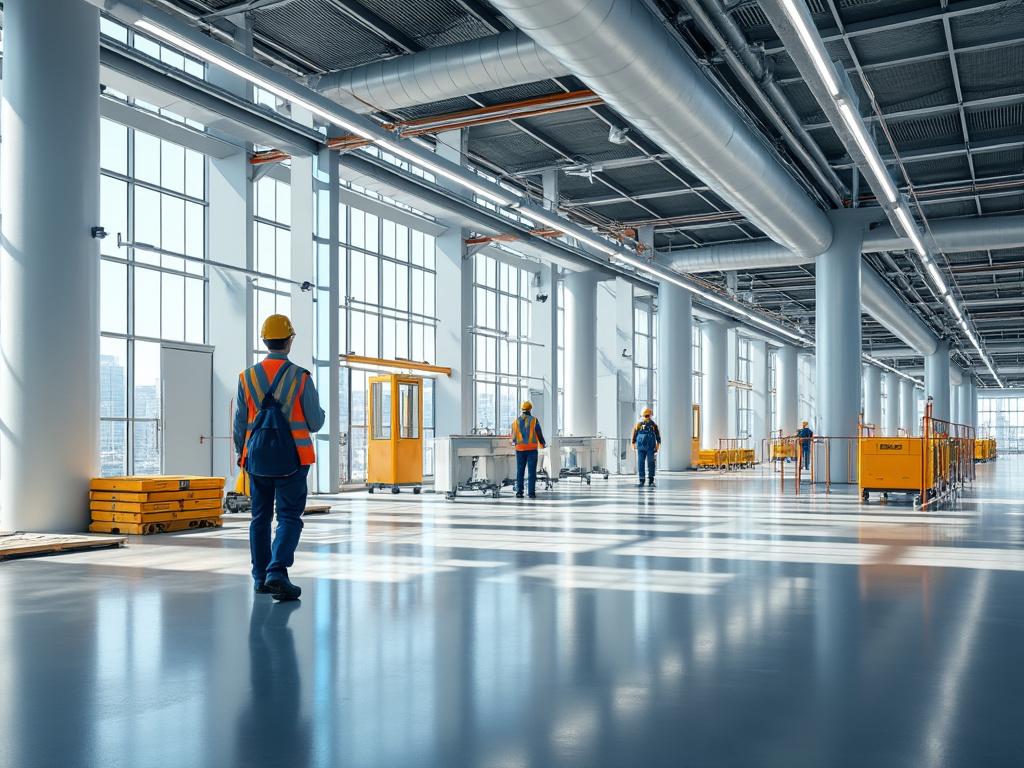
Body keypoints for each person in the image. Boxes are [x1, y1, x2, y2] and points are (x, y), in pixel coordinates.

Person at [234, 314, 325, 601]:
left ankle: (260, 578)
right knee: (288, 517)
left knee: (259, 518)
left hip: (256, 459)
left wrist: (242, 454)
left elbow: (239, 423)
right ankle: (277, 570)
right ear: (289, 341)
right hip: (293, 460)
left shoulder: (246, 377)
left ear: (264, 340)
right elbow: (314, 423)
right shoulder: (300, 377)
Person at [510, 401, 546, 499]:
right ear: (530, 409)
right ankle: (531, 493)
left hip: (520, 449)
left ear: (522, 409)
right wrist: (542, 444)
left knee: (520, 472)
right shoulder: (534, 420)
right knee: (531, 472)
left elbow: (512, 438)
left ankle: (519, 492)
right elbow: (539, 434)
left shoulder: (515, 422)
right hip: (532, 450)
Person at [631, 408, 661, 487]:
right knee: (649, 463)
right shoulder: (652, 424)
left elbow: (634, 434)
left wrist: (633, 443)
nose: (647, 416)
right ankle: (649, 481)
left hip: (642, 447)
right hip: (648, 447)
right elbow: (658, 436)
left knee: (643, 463)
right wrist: (658, 445)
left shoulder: (640, 424)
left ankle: (643, 480)